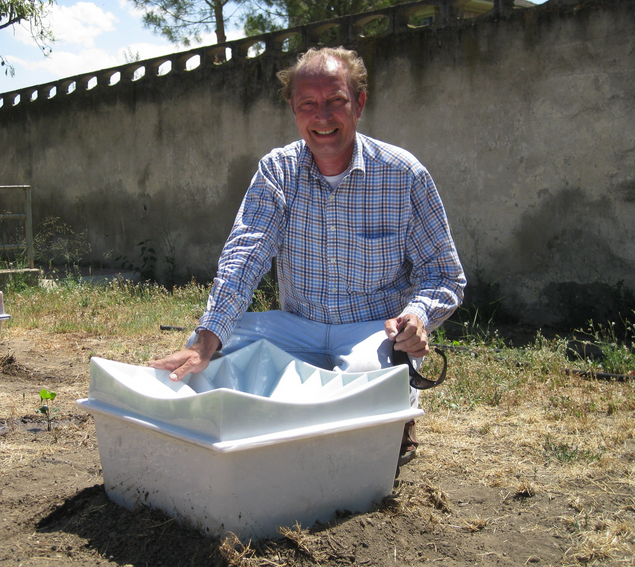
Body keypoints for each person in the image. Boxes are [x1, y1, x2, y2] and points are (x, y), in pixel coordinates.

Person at [149, 46, 466, 465]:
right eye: (308, 105)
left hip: (371, 329)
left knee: (366, 379)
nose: (323, 117)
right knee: (207, 348)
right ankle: (238, 429)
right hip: (297, 325)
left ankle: (395, 425)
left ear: (359, 104)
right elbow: (244, 258)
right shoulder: (276, 171)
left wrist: (419, 318)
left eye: (336, 101)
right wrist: (207, 340)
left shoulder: (404, 174)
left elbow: (444, 274)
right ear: (294, 111)